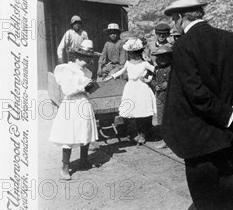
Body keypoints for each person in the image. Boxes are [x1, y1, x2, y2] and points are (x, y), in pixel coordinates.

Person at [162, 0, 233, 210]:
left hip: (200, 139)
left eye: (173, 19)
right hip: (231, 136)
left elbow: (196, 94)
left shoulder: (183, 46)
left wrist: (227, 114)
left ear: (179, 17)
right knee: (228, 200)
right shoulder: (231, 39)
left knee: (206, 206)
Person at [49, 39, 101, 180]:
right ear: (76, 57)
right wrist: (82, 88)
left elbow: (86, 90)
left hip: (83, 103)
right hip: (71, 104)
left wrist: (90, 89)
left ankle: (84, 160)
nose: (87, 60)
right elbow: (67, 90)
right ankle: (65, 166)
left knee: (85, 130)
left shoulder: (87, 72)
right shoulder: (67, 69)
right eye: (84, 57)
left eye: (89, 57)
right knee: (69, 133)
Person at [104, 38, 157, 145]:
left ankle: (143, 135)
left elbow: (156, 70)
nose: (132, 55)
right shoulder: (128, 63)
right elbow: (121, 71)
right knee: (134, 113)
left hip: (142, 89)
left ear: (138, 53)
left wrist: (149, 79)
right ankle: (138, 133)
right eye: (130, 53)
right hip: (131, 89)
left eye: (134, 53)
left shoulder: (144, 63)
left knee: (142, 113)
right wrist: (111, 76)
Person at [150, 45, 173, 149]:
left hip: (171, 98)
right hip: (159, 97)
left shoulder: (172, 68)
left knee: (171, 119)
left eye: (164, 57)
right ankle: (165, 140)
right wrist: (156, 85)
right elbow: (153, 79)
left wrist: (167, 84)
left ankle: (174, 140)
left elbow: (176, 80)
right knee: (161, 120)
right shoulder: (157, 69)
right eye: (159, 57)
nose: (162, 59)